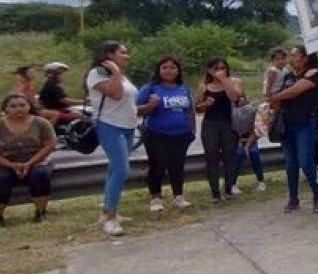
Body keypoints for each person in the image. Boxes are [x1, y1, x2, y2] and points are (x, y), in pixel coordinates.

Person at [86, 41, 139, 236]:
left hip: (128, 126)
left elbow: (130, 100)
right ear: (109, 54)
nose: (127, 56)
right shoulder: (97, 74)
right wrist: (116, 72)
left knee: (114, 169)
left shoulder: (122, 76)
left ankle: (107, 210)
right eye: (122, 53)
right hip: (109, 125)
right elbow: (116, 94)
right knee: (121, 169)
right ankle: (110, 218)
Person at [0, 93, 55, 226]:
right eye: (13, 106)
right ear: (5, 108)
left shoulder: (42, 123)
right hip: (3, 164)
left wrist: (30, 163)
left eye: (22, 105)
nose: (18, 109)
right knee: (1, 179)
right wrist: (10, 165)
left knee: (39, 175)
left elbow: (49, 145)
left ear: (29, 106)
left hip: (37, 162)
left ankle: (41, 212)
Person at [267, 46, 318, 213]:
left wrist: (274, 97)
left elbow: (294, 91)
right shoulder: (288, 75)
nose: (291, 59)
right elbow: (278, 94)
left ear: (305, 58)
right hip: (287, 124)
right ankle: (293, 198)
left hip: (305, 123)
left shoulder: (314, 74)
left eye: (294, 55)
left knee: (306, 161)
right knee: (291, 164)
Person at [136, 56, 195, 211]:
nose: (168, 71)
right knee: (158, 165)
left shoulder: (183, 88)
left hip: (181, 134)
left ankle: (178, 196)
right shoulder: (151, 88)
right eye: (164, 68)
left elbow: (190, 110)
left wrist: (192, 130)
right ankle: (155, 198)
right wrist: (151, 105)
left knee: (177, 165)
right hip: (156, 134)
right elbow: (135, 109)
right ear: (158, 70)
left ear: (178, 70)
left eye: (172, 68)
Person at [195, 58, 244, 203]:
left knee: (229, 157)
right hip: (210, 125)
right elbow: (197, 108)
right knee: (212, 158)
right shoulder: (204, 86)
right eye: (216, 68)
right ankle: (215, 193)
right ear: (210, 70)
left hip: (229, 124)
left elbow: (235, 97)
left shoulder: (234, 82)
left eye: (223, 68)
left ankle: (229, 189)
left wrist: (224, 81)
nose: (220, 71)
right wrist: (206, 103)